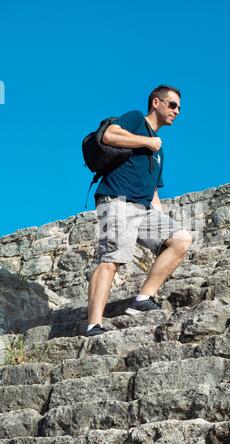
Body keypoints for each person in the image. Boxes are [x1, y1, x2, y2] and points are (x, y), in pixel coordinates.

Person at [87, 84, 192, 336]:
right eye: (172, 104)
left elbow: (154, 189)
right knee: (113, 258)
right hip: (116, 201)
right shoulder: (136, 119)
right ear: (156, 102)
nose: (177, 111)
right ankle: (93, 324)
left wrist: (161, 217)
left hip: (143, 208)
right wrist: (147, 141)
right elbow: (109, 135)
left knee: (181, 239)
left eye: (179, 107)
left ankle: (144, 298)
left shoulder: (159, 151)